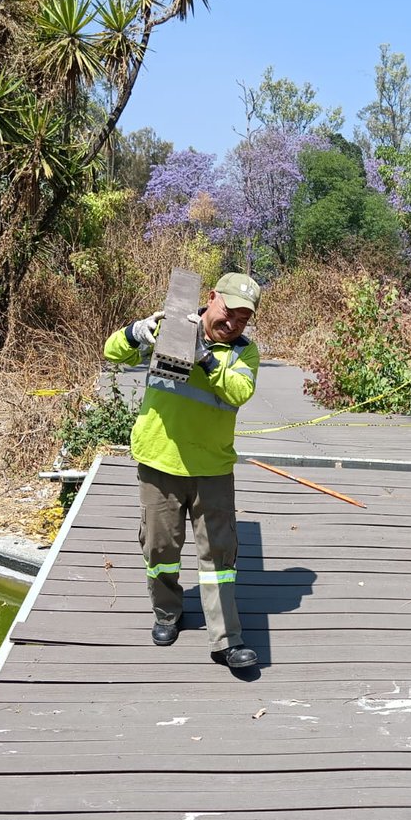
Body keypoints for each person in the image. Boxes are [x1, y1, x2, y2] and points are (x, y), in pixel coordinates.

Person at [104, 273, 262, 669]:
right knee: (159, 549)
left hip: (212, 469)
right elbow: (112, 353)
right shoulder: (170, 330)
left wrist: (204, 357)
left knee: (219, 556)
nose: (234, 324)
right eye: (229, 312)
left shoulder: (244, 353)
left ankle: (227, 641)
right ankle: (167, 613)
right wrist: (139, 332)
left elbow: (239, 392)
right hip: (159, 461)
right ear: (211, 299)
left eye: (244, 319)